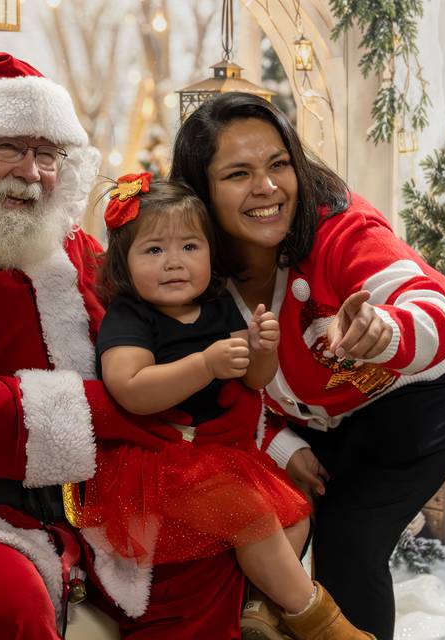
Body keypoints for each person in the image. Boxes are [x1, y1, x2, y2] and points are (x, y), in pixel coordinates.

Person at [0, 53, 261, 640]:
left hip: (88, 503)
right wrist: (103, 411)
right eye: (10, 148)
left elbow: (165, 348)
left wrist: (258, 435)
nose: (32, 173)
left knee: (206, 558)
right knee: (5, 602)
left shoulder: (78, 252)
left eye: (48, 153)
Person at [169, 92, 445, 640]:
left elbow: (431, 309)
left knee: (351, 535)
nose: (266, 188)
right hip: (320, 410)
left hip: (426, 387)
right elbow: (221, 388)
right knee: (268, 510)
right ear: (202, 191)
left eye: (278, 164)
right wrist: (284, 446)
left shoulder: (341, 227)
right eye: (238, 173)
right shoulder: (195, 266)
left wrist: (385, 330)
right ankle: (270, 614)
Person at [78, 174, 373, 640]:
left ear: (211, 253)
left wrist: (262, 348)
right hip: (159, 464)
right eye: (154, 250)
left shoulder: (216, 306)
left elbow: (255, 381)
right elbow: (129, 387)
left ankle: (257, 607)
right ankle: (319, 621)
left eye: (190, 247)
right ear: (123, 263)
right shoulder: (131, 316)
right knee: (251, 516)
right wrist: (205, 363)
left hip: (220, 458)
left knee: (295, 514)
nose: (174, 263)